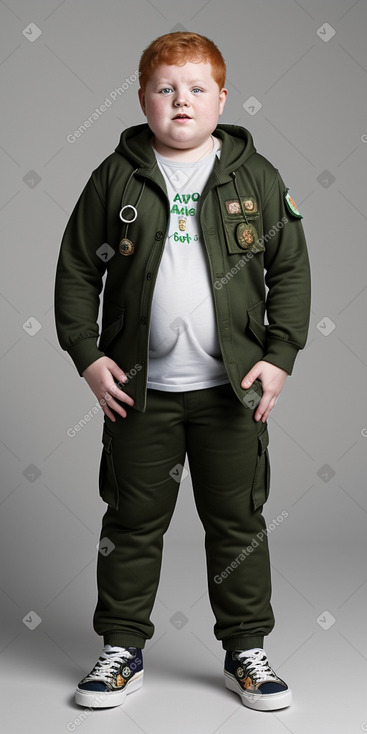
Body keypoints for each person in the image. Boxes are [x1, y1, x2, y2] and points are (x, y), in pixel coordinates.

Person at [54, 31, 311, 712]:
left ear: (221, 99)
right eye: (165, 88)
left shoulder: (254, 177)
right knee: (132, 522)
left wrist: (279, 356)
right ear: (142, 98)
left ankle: (245, 651)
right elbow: (79, 268)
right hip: (140, 394)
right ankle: (121, 648)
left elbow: (289, 270)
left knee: (237, 522)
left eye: (196, 89)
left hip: (232, 393)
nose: (180, 101)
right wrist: (87, 354)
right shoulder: (117, 177)